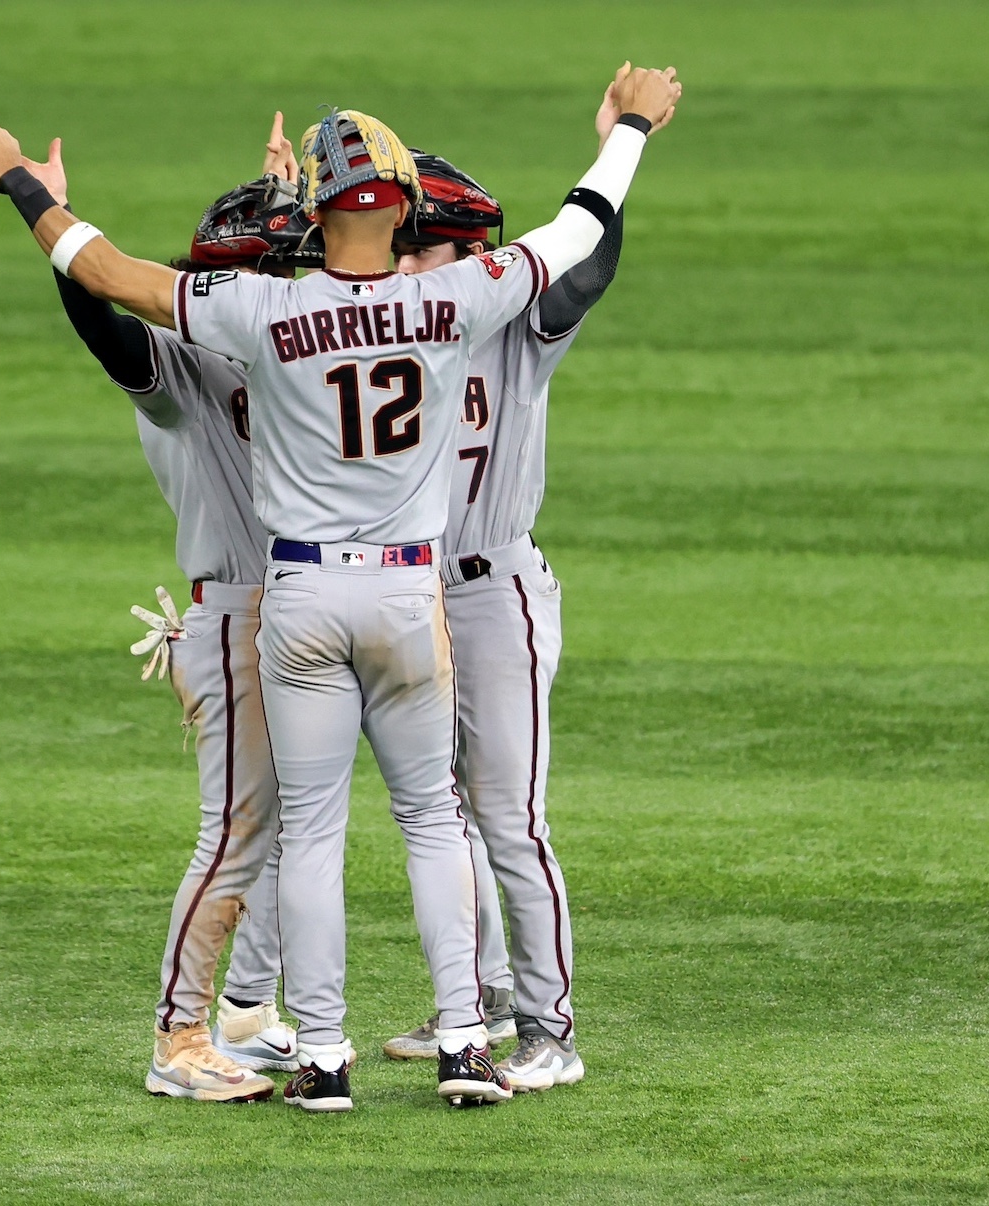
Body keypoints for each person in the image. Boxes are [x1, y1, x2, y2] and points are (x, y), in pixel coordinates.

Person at [0, 63, 681, 1111]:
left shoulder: (255, 312)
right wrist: (627, 131)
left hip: (294, 601)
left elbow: (114, 279)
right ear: (401, 210)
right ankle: (463, 1040)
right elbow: (576, 234)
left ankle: (323, 1055)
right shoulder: (452, 297)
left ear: (315, 215)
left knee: (305, 832)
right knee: (434, 821)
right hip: (408, 594)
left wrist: (28, 193)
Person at [0, 119, 313, 1103]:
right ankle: (177, 1041)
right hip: (235, 620)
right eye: (270, 257)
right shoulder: (177, 364)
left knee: (288, 824)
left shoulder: (280, 340)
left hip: (298, 612)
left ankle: (248, 1017)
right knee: (234, 831)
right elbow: (101, 312)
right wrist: (37, 203)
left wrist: (286, 202)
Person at [371, 85, 634, 1090]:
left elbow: (589, 260)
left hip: (492, 595)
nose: (400, 263)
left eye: (418, 246)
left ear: (466, 249)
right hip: (404, 594)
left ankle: (549, 1033)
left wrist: (617, 146)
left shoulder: (511, 323)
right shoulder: (381, 324)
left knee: (509, 817)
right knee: (437, 810)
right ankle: (470, 1009)